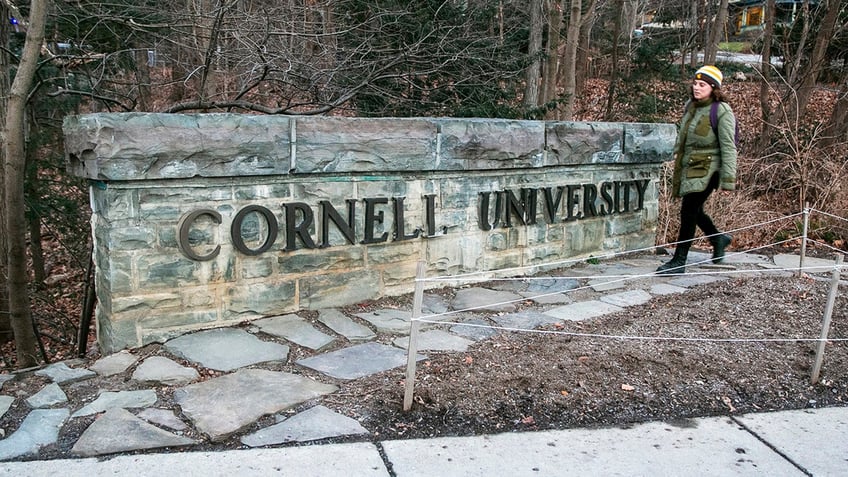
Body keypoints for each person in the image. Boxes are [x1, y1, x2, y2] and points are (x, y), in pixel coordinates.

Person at [657, 65, 737, 275]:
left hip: (709, 169)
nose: (697, 88)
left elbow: (729, 147)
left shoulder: (721, 110)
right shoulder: (690, 107)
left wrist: (728, 179)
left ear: (713, 88)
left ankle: (679, 260)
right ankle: (718, 238)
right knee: (695, 210)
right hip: (690, 166)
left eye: (702, 84)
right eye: (695, 83)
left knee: (688, 211)